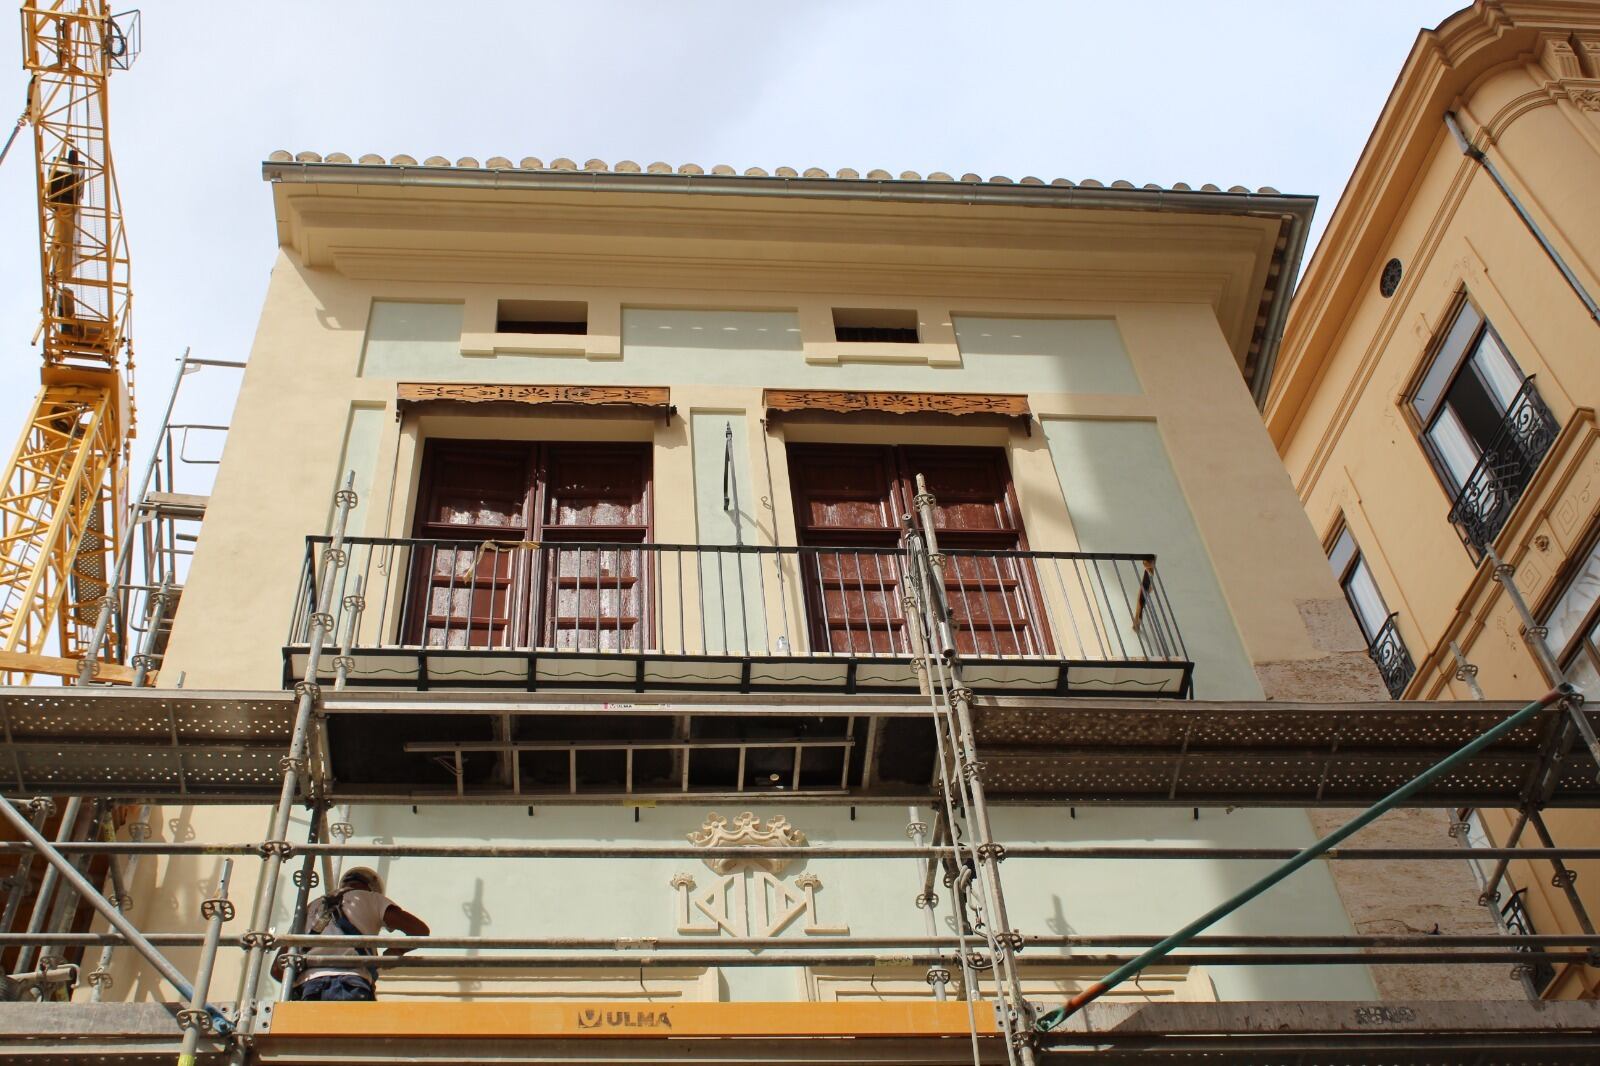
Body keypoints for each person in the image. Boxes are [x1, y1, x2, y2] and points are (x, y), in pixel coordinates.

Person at [273, 866, 429, 1001]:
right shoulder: (372, 899)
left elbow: (277, 970)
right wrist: (395, 951)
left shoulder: (309, 908)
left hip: (309, 988)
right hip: (349, 985)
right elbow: (420, 931)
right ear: (371, 887)